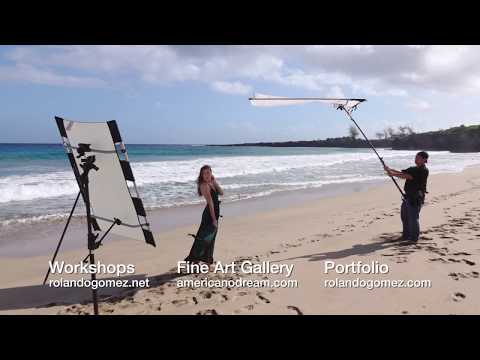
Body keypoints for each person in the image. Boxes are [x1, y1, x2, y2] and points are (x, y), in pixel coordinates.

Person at [384, 151, 429, 242]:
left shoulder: (423, 170)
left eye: (418, 158)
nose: (416, 159)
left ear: (424, 160)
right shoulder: (413, 168)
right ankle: (406, 235)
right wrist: (389, 169)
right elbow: (401, 173)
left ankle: (414, 238)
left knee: (413, 218)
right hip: (407, 196)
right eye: (416, 157)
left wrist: (393, 174)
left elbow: (408, 176)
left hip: (416, 197)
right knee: (404, 217)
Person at [184, 165, 223, 265]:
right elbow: (210, 203)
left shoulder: (211, 183)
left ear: (211, 173)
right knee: (203, 239)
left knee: (211, 239)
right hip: (209, 215)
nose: (207, 175)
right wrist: (214, 219)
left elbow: (221, 192)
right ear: (201, 175)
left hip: (215, 213)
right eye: (204, 173)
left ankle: (207, 260)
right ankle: (193, 260)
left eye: (208, 172)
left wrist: (214, 181)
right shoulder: (204, 185)